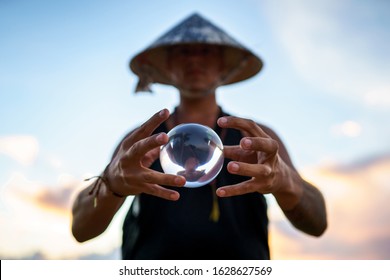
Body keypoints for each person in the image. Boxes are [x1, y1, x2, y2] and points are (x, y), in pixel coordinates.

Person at [71, 13, 327, 259]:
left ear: (223, 65)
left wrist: (285, 181)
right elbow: (81, 230)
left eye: (206, 51)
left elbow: (318, 223)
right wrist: (111, 184)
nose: (194, 59)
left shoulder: (257, 139)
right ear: (168, 66)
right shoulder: (141, 142)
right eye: (183, 52)